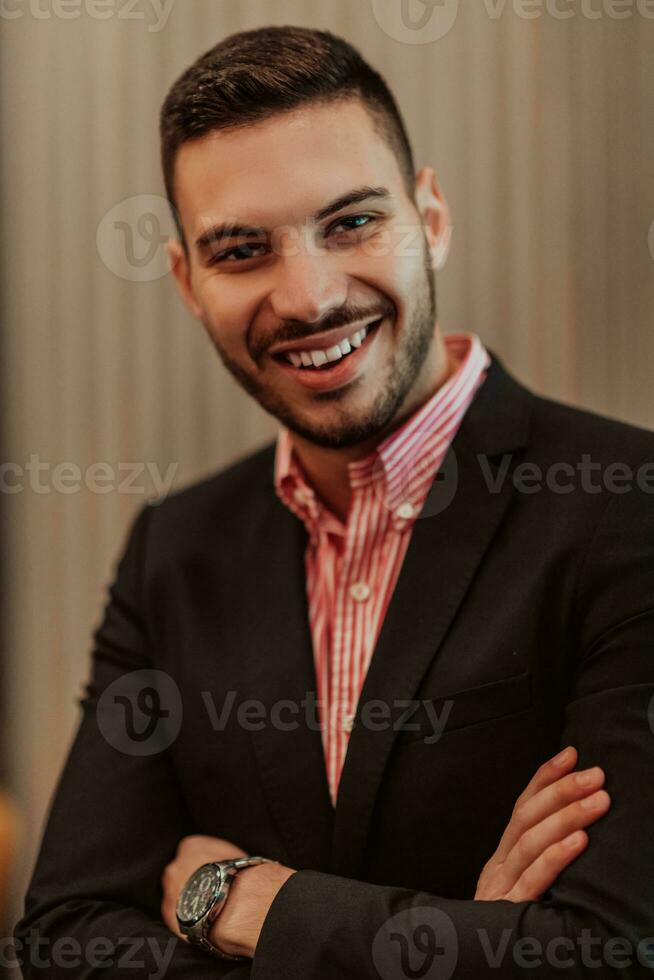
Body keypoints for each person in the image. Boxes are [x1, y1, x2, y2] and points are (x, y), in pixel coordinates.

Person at [14, 25, 654, 979]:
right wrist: (462, 940)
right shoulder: (173, 552)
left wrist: (240, 902)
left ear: (430, 216)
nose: (309, 297)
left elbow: (610, 952)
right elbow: (67, 936)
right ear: (187, 282)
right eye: (241, 251)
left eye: (352, 223)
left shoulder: (626, 511)